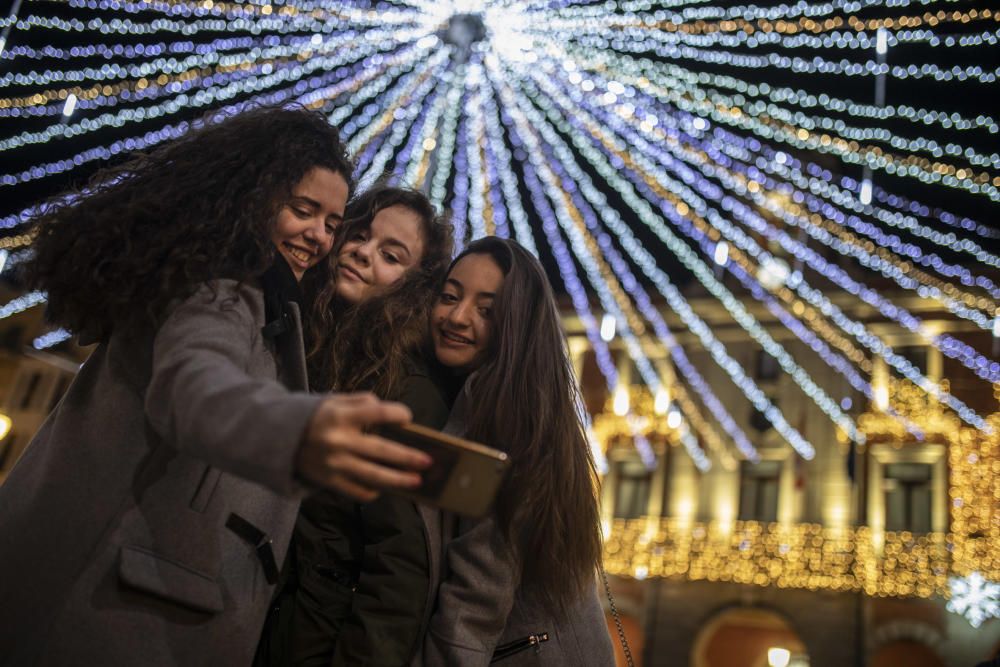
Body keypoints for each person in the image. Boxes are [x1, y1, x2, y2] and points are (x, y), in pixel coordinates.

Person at [0, 106, 431, 666]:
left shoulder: (266, 302)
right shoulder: (224, 287)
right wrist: (297, 433)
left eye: (331, 222)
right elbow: (199, 385)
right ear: (254, 194)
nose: (322, 238)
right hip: (111, 607)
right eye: (305, 211)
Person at [257, 185, 457, 666]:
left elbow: (400, 566)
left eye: (391, 255)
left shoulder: (405, 387)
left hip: (314, 640)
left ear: (414, 285)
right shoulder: (305, 338)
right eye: (361, 235)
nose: (364, 254)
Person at [417, 236, 615, 666]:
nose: (457, 317)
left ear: (516, 324)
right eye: (449, 297)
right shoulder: (533, 407)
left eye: (487, 311)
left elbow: (477, 594)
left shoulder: (502, 419)